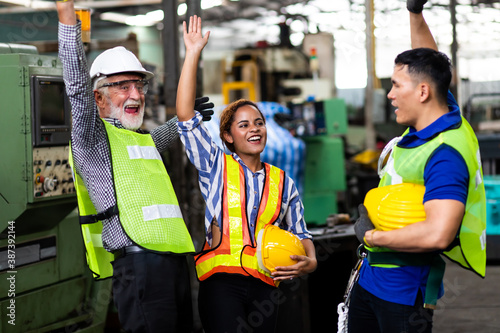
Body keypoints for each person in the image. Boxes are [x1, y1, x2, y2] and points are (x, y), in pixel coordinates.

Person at [56, 1, 213, 332]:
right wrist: (67, 17)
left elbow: (172, 129)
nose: (136, 94)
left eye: (139, 86)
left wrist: (187, 107)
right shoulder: (92, 139)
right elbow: (76, 89)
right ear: (99, 98)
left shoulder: (142, 141)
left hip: (174, 263)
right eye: (123, 86)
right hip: (139, 265)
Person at [350, 0, 486, 332]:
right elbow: (430, 63)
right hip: (371, 277)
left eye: (396, 86)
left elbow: (438, 233)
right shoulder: (436, 116)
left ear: (422, 93)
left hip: (403, 292)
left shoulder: (445, 153)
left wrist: (372, 236)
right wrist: (414, 13)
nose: (390, 95)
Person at [176, 16, 318, 332]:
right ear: (228, 136)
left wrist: (312, 261)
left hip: (266, 285)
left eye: (258, 123)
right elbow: (185, 117)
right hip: (221, 283)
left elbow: (301, 232)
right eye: (243, 125)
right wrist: (193, 53)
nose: (254, 129)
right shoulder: (215, 166)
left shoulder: (283, 182)